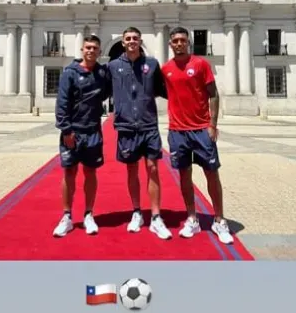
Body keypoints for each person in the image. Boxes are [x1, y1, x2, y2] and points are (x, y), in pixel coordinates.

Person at [161, 26, 234, 244]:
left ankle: (219, 220)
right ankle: (192, 218)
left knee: (212, 174)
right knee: (184, 176)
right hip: (177, 131)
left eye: (183, 40)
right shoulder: (166, 69)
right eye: (175, 40)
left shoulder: (201, 64)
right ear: (170, 44)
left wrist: (213, 124)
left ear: (189, 42)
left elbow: (213, 94)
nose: (179, 43)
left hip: (202, 129)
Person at [106, 27, 172, 239]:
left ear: (140, 41)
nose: (132, 41)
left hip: (149, 125)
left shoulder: (152, 64)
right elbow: (98, 89)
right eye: (128, 38)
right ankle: (137, 212)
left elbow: (167, 89)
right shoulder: (113, 66)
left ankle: (155, 216)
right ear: (123, 42)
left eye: (135, 38)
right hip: (126, 127)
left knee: (153, 169)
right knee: (131, 171)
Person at [53, 34, 110, 237]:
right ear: (82, 50)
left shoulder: (102, 74)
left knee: (91, 173)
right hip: (73, 131)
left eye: (95, 48)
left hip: (93, 130)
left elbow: (109, 92)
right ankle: (67, 216)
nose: (91, 51)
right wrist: (66, 130)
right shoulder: (70, 73)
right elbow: (62, 103)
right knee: (69, 172)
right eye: (88, 47)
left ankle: (88, 214)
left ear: (100, 52)